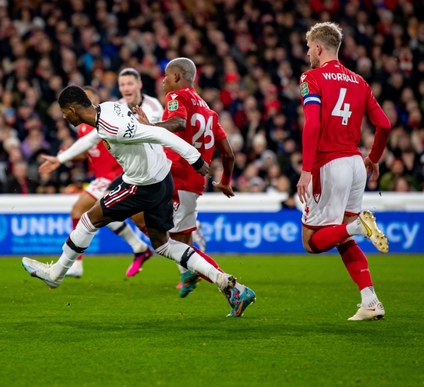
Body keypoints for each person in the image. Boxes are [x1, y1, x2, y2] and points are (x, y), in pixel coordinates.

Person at [27, 85, 256, 318]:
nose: (64, 116)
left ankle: (56, 275)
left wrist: (193, 158)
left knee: (88, 219)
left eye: (64, 111)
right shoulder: (108, 108)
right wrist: (61, 158)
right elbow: (97, 138)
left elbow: (159, 134)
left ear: (73, 110)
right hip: (161, 178)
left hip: (142, 185)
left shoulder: (111, 126)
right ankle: (229, 284)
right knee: (163, 245)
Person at [297, 22, 391, 321]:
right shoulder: (359, 82)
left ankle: (357, 226)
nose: (308, 52)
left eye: (309, 46)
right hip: (355, 164)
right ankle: (371, 301)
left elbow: (312, 124)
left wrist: (306, 170)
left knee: (312, 242)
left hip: (329, 164)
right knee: (342, 239)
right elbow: (384, 125)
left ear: (319, 47)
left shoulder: (311, 78)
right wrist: (373, 157)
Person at [135, 58, 243, 308]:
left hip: (175, 179)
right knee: (183, 246)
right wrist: (226, 181)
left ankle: (233, 287)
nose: (162, 80)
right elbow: (228, 154)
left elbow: (179, 123)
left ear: (176, 77)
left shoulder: (176, 97)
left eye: (165, 75)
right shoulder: (209, 111)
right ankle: (206, 281)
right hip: (193, 184)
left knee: (151, 227)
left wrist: (148, 127)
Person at [41, 87, 153, 279]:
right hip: (101, 177)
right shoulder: (83, 127)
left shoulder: (103, 118)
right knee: (90, 213)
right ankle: (145, 247)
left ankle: (172, 249)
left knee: (125, 217)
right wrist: (65, 157)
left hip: (115, 174)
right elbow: (84, 154)